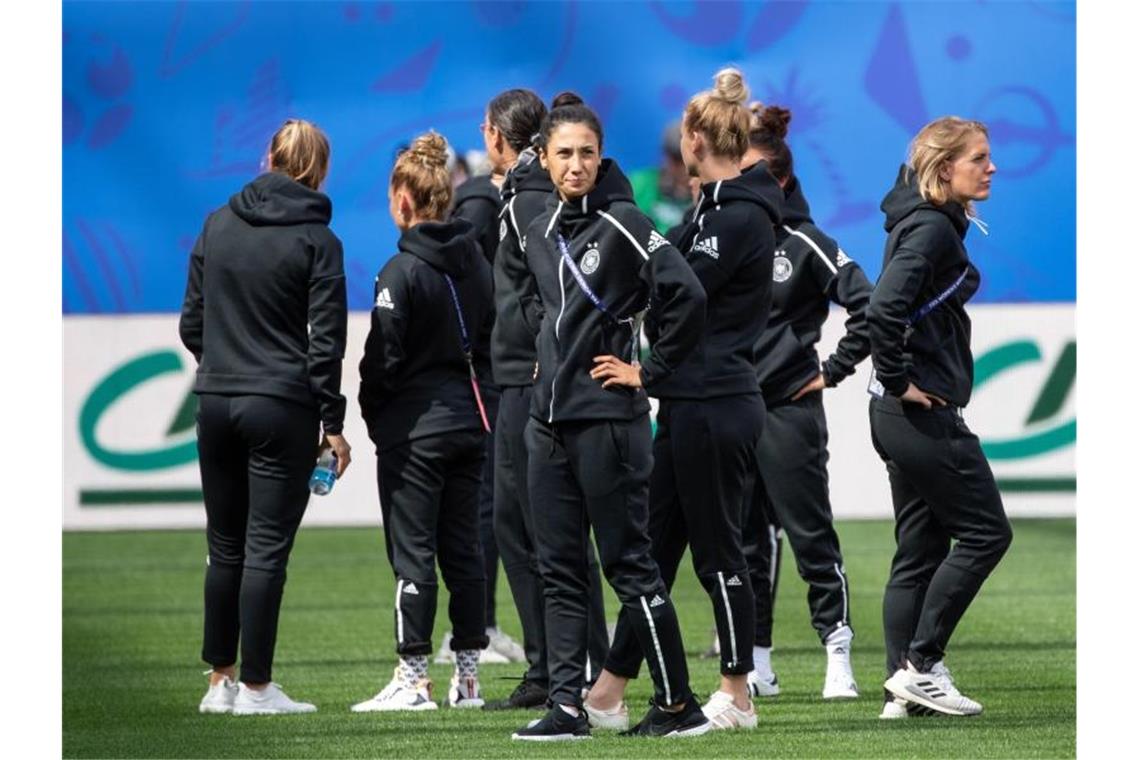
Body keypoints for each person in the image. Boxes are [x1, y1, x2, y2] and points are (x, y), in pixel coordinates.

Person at [584, 68, 780, 732]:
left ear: (695, 139)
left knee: (719, 552)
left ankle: (738, 693)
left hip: (715, 400)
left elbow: (682, 296)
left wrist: (649, 370)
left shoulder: (737, 214)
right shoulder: (715, 207)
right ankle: (609, 689)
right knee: (653, 550)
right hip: (695, 400)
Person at [511, 93, 710, 741]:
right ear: (544, 158)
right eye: (563, 153)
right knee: (561, 569)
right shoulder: (539, 223)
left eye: (587, 153)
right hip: (547, 423)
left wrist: (648, 371)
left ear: (602, 159)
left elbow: (684, 292)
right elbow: (545, 304)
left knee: (629, 568)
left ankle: (680, 706)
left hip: (608, 421)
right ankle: (568, 708)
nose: (575, 165)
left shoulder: (624, 220)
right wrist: (549, 359)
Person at [179, 118, 351, 716]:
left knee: (223, 546)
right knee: (265, 550)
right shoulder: (319, 241)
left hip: (217, 400)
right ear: (318, 170)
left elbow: (190, 326)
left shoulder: (217, 223)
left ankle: (219, 683)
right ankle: (256, 688)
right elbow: (326, 343)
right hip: (281, 405)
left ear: (267, 159)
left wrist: (225, 364)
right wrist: (333, 422)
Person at [869, 116, 1011, 718]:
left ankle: (901, 689)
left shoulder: (920, 222)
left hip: (893, 414)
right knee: (986, 533)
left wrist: (893, 384)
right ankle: (922, 666)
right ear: (943, 167)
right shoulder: (931, 230)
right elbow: (883, 311)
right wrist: (902, 380)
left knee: (920, 550)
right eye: (978, 158)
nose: (991, 167)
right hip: (919, 415)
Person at [351, 131, 494, 712]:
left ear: (404, 201)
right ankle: (467, 681)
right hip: (471, 424)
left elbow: (382, 356)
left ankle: (412, 678)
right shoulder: (476, 261)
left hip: (417, 432)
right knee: (464, 551)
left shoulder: (399, 271)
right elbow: (488, 340)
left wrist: (373, 413)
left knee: (413, 553)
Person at [480, 88, 612, 710]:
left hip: (529, 378)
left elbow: (552, 288)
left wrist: (541, 346)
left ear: (497, 136)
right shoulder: (521, 192)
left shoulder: (532, 196)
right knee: (524, 526)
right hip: (518, 374)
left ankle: (563, 663)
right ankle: (556, 661)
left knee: (541, 528)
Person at [737, 103, 873, 701]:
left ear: (784, 181)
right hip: (731, 409)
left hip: (789, 410)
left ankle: (837, 654)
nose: (749, 187)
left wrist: (832, 369)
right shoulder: (719, 237)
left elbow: (870, 306)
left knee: (808, 533)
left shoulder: (806, 242)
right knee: (745, 542)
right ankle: (756, 663)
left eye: (761, 175)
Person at [442, 135, 524, 666]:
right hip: (487, 375)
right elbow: (465, 282)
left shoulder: (494, 198)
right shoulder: (481, 203)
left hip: (495, 371)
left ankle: (480, 627)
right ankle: (472, 630)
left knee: (493, 508)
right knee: (485, 507)